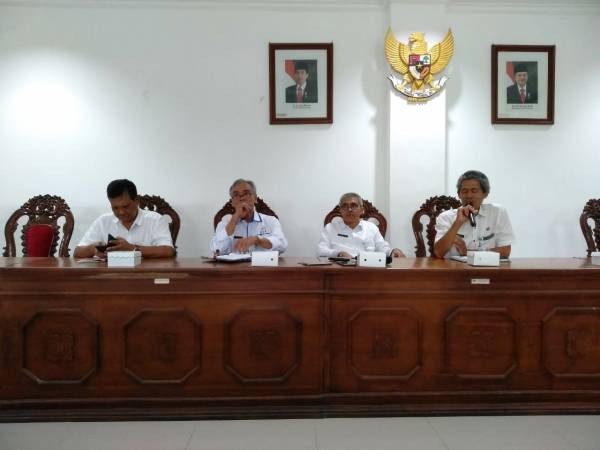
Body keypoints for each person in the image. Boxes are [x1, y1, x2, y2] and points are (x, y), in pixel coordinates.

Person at [74, 179, 175, 259]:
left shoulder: (155, 220)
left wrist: (133, 249)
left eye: (126, 206)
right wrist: (94, 249)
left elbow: (168, 250)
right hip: (110, 275)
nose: (121, 212)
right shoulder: (103, 221)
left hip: (145, 274)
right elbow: (77, 252)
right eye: (115, 208)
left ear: (137, 200)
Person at [433, 170, 514, 259]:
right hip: (453, 266)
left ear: (485, 193)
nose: (469, 195)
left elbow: (505, 251)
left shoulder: (498, 213)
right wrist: (457, 223)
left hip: (488, 266)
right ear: (459, 194)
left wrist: (468, 253)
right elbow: (438, 253)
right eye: (464, 191)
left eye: (474, 191)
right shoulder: (445, 217)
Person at [210, 179, 287, 255]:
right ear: (232, 202)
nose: (241, 198)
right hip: (235, 263)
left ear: (255, 198)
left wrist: (258, 240)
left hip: (261, 263)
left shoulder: (270, 220)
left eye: (246, 193)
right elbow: (216, 249)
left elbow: (282, 245)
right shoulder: (226, 221)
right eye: (236, 195)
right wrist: (233, 220)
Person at [317, 193, 404, 258]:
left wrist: (393, 251)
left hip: (367, 270)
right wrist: (338, 253)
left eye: (354, 206)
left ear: (362, 210)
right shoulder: (330, 228)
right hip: (339, 269)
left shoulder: (371, 228)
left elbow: (382, 247)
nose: (349, 209)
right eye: (345, 206)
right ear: (340, 210)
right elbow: (321, 251)